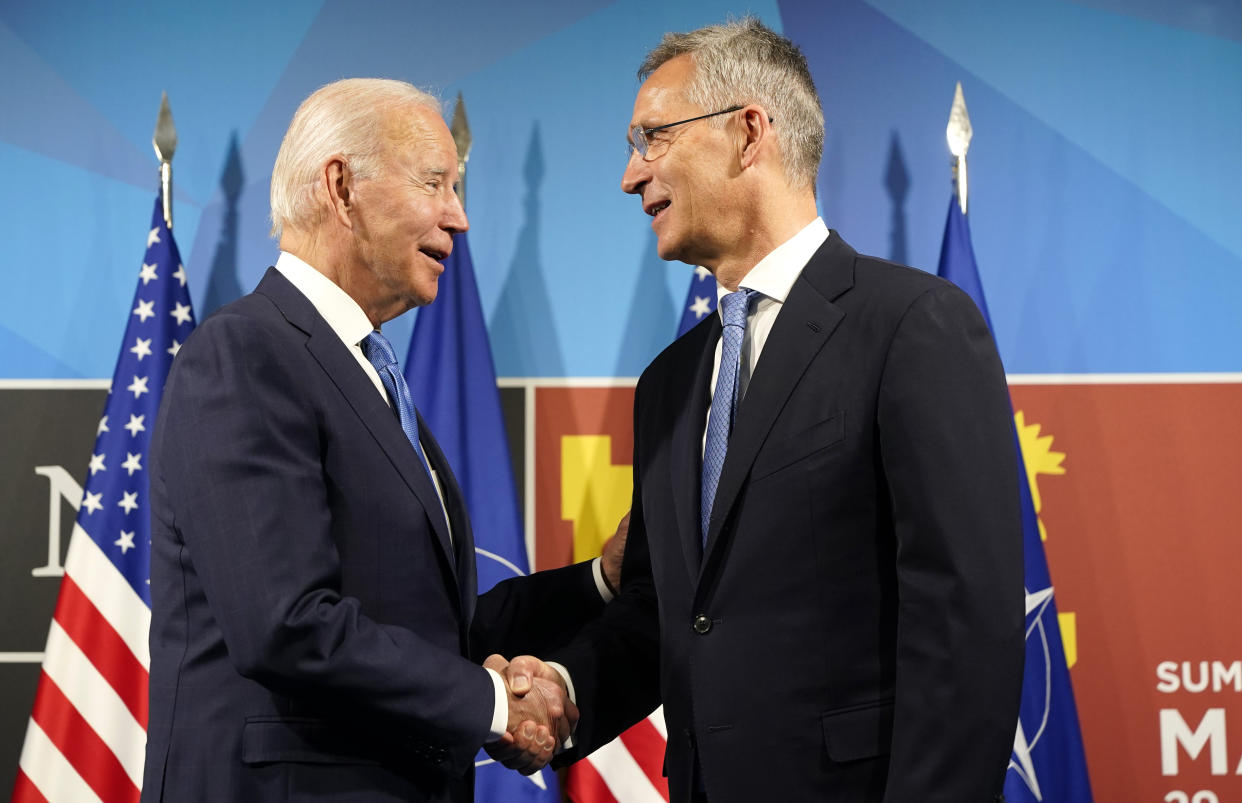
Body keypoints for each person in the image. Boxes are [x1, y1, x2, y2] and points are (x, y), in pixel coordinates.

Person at [496, 18, 1024, 802]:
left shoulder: (911, 325)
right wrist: (567, 693)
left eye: (652, 138)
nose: (630, 175)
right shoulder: (668, 384)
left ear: (749, 132)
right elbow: (671, 615)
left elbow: (964, 627)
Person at [142, 78, 621, 802]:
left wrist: (597, 582)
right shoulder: (246, 354)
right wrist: (496, 703)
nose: (458, 217)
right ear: (341, 188)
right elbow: (286, 623)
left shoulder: (367, 371)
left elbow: (425, 628)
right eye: (435, 183)